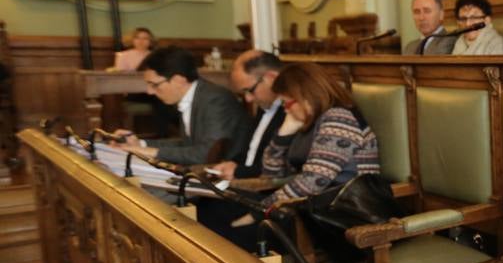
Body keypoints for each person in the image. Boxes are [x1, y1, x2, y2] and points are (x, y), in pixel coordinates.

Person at [256, 63, 380, 212]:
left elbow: (312, 182)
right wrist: (283, 135)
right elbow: (270, 176)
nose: (285, 109)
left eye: (286, 103)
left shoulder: (338, 119)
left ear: (303, 97)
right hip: (314, 206)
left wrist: (260, 210)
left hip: (345, 212)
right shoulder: (310, 120)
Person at [115, 46, 250, 165]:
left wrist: (148, 152)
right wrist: (140, 144)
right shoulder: (194, 95)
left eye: (154, 84)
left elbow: (207, 155)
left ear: (178, 80)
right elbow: (188, 144)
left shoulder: (215, 100)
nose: (149, 91)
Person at [209, 50, 286, 180]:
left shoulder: (291, 113)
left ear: (271, 78)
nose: (248, 99)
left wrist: (239, 172)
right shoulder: (264, 105)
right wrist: (233, 163)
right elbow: (251, 153)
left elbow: (281, 167)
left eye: (250, 91)